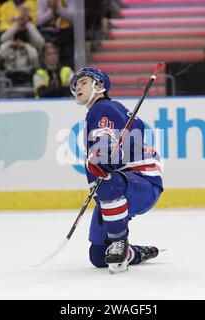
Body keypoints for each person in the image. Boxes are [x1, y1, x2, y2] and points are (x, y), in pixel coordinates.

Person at [69, 67, 163, 274]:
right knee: (98, 256)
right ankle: (136, 253)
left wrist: (102, 156)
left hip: (141, 183)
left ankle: (120, 241)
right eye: (75, 86)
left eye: (83, 82)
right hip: (125, 184)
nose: (78, 88)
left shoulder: (104, 108)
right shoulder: (105, 111)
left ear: (99, 86)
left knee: (108, 179)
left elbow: (105, 147)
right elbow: (135, 129)